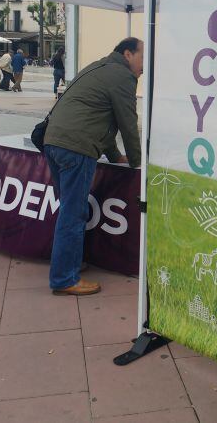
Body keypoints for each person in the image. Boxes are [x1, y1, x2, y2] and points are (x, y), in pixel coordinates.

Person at [43, 37, 143, 296]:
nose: (145, 66)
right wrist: (136, 161)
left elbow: (100, 119)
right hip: (77, 148)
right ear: (129, 53)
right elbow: (127, 123)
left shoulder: (98, 67)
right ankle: (65, 278)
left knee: (69, 209)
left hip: (54, 142)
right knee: (73, 213)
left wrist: (114, 156)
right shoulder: (123, 76)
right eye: (144, 58)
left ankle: (68, 264)